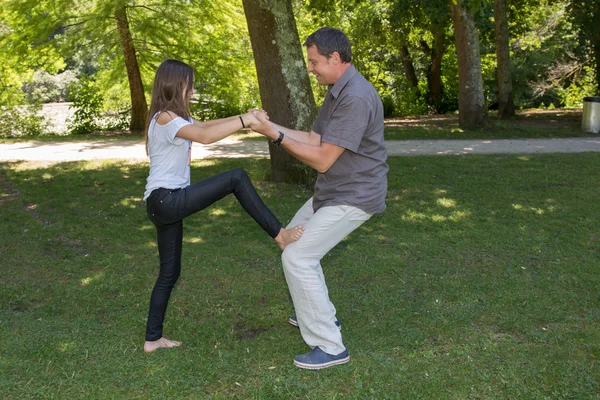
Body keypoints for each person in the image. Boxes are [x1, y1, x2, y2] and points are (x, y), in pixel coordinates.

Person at [142, 59, 304, 353]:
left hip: (162, 203)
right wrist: (247, 121)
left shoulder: (171, 119)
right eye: (188, 85)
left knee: (170, 272)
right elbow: (205, 137)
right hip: (167, 199)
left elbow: (204, 126)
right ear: (175, 85)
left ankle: (153, 339)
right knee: (236, 178)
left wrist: (247, 116)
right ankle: (279, 234)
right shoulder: (165, 118)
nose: (191, 90)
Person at [250, 27, 389, 370]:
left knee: (298, 258)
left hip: (353, 197)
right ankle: (314, 312)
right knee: (289, 241)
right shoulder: (337, 90)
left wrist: (274, 136)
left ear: (335, 58)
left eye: (314, 62)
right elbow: (314, 139)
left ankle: (330, 346)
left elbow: (323, 158)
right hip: (332, 191)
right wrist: (275, 128)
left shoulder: (356, 96)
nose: (310, 68)